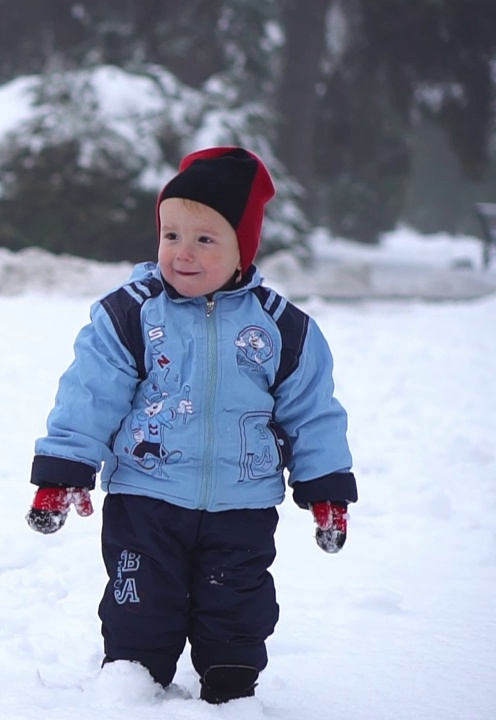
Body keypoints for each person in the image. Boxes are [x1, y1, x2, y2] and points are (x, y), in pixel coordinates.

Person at [25, 146, 357, 704]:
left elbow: (312, 412)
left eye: (205, 239)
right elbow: (89, 395)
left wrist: (325, 487)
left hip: (242, 503)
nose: (182, 253)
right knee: (139, 603)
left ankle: (230, 685)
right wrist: (65, 471)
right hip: (146, 497)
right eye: (171, 235)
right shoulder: (129, 315)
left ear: (242, 249)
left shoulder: (284, 330)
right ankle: (131, 683)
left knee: (238, 605)